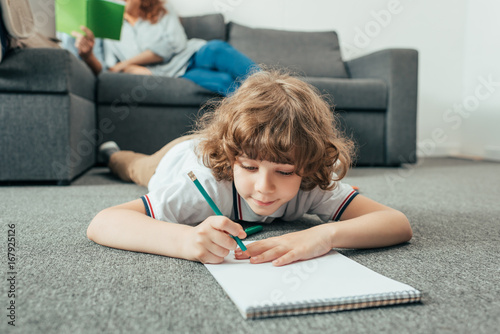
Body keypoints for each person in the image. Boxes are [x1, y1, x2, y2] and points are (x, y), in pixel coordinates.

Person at [87, 70, 413, 267]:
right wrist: (184, 241)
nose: (264, 187)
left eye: (284, 171)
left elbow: (396, 223)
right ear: (233, 161)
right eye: (250, 168)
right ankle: (114, 153)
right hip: (178, 155)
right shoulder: (203, 184)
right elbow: (103, 222)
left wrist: (326, 234)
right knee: (133, 167)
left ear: (307, 168)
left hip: (234, 143)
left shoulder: (312, 184)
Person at [72, 0, 258, 96]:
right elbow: (109, 69)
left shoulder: (163, 10)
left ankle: (275, 88)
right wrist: (87, 55)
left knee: (217, 49)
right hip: (174, 73)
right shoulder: (110, 29)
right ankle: (265, 110)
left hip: (191, 55)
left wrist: (128, 63)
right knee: (224, 82)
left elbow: (175, 44)